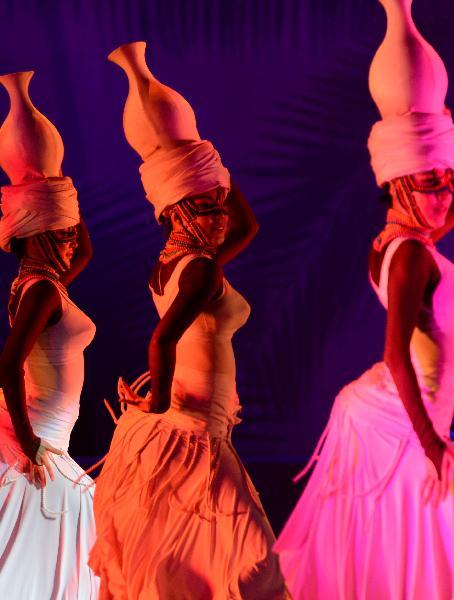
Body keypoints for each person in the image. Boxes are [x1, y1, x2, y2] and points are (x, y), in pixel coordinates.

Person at [274, 1, 454, 598]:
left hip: (406, 416)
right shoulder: (413, 254)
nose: (446, 197)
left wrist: (441, 136)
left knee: (423, 555)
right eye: (431, 183)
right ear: (396, 181)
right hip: (402, 422)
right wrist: (431, 450)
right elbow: (396, 354)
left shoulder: (402, 238)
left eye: (447, 181)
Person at [88, 42, 287, 599]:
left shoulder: (177, 261)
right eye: (206, 205)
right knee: (247, 556)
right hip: (195, 430)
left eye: (218, 202)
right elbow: (162, 337)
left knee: (196, 552)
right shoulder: (198, 270)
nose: (220, 212)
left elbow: (246, 228)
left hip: (197, 424)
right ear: (176, 211)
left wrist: (208, 163)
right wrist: (154, 405)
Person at [0, 69, 99, 598]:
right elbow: (7, 363)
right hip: (38, 432)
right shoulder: (39, 289)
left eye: (65, 230)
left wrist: (58, 188)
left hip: (49, 431)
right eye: (57, 232)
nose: (67, 242)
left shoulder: (45, 281)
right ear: (34, 234)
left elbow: (83, 251)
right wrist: (30, 445)